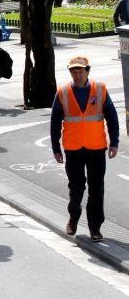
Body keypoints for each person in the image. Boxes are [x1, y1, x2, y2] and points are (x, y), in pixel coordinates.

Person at [50, 56, 120, 242]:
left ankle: (94, 228)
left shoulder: (100, 89)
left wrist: (114, 142)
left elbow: (112, 117)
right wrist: (56, 148)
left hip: (96, 148)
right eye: (73, 71)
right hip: (73, 149)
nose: (77, 74)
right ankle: (73, 217)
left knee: (96, 189)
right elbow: (55, 122)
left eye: (80, 71)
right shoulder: (63, 92)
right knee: (76, 187)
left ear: (87, 71)